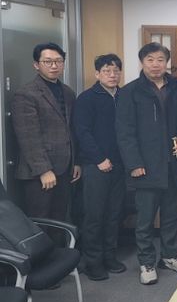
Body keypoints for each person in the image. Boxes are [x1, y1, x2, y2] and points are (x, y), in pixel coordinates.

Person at [116, 42, 177, 285]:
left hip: (172, 165)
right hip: (145, 166)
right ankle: (146, 262)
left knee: (171, 216)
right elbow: (124, 132)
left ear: (167, 62)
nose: (155, 64)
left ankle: (169, 256)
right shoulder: (130, 91)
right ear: (142, 62)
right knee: (145, 220)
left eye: (160, 59)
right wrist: (134, 163)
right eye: (150, 59)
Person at [11, 42, 80, 221]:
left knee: (59, 219)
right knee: (40, 220)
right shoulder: (26, 94)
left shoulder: (68, 92)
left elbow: (72, 130)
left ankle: (58, 244)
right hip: (38, 172)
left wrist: (76, 162)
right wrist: (43, 170)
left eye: (58, 61)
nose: (54, 65)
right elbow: (28, 136)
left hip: (64, 168)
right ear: (36, 65)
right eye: (48, 61)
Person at [73, 54, 127, 281]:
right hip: (96, 165)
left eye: (116, 71)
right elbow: (82, 132)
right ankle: (92, 261)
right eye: (106, 71)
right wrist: (99, 159)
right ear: (97, 74)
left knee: (114, 214)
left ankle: (109, 256)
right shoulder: (87, 98)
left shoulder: (124, 96)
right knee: (94, 215)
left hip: (120, 165)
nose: (112, 75)